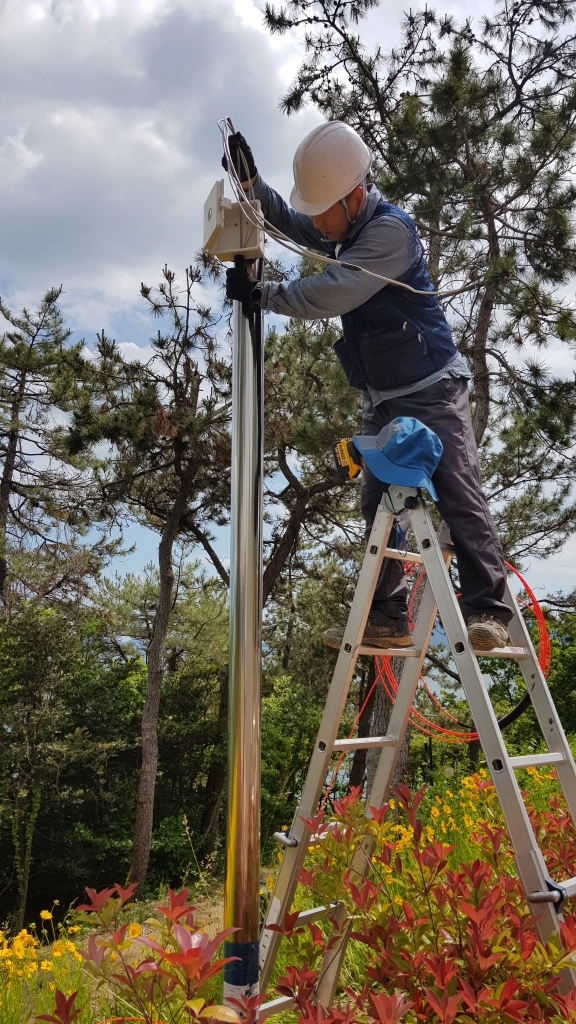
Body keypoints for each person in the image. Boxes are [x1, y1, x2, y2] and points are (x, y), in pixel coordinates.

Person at [224, 121, 512, 651]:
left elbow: (334, 291)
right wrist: (253, 186)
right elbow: (293, 222)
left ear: (354, 196)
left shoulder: (389, 233)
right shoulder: (344, 226)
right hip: (383, 399)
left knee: (458, 493)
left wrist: (264, 295)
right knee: (378, 504)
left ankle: (489, 611)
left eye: (324, 211)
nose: (318, 223)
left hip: (432, 388)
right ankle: (387, 615)